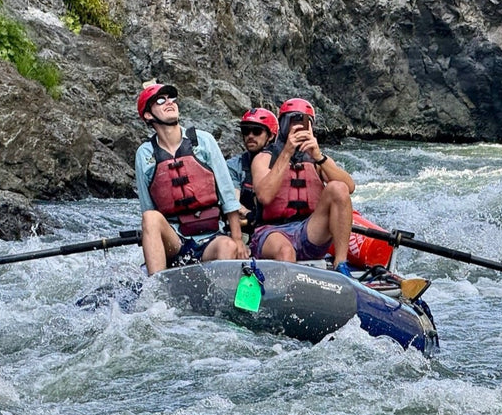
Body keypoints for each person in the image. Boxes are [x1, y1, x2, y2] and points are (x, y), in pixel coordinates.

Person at [134, 81, 249, 275]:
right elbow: (148, 208)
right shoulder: (144, 154)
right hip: (175, 241)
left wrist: (238, 240)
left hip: (212, 236)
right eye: (160, 100)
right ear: (148, 115)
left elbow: (227, 194)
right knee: (150, 218)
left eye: (171, 98)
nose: (169, 102)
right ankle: (156, 290)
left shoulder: (203, 141)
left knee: (228, 247)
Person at [250, 98, 356, 274]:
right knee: (286, 251)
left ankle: (341, 264)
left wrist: (318, 156)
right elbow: (264, 196)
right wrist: (287, 152)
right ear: (282, 125)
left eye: (303, 122)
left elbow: (349, 187)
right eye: (291, 121)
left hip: (309, 229)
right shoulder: (264, 158)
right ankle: (288, 295)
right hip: (272, 231)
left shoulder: (318, 160)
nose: (296, 127)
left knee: (338, 188)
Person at [226, 108, 279, 234]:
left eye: (256, 131)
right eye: (246, 131)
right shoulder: (234, 165)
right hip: (247, 227)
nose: (250, 136)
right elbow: (233, 201)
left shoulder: (281, 163)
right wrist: (249, 214)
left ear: (270, 136)